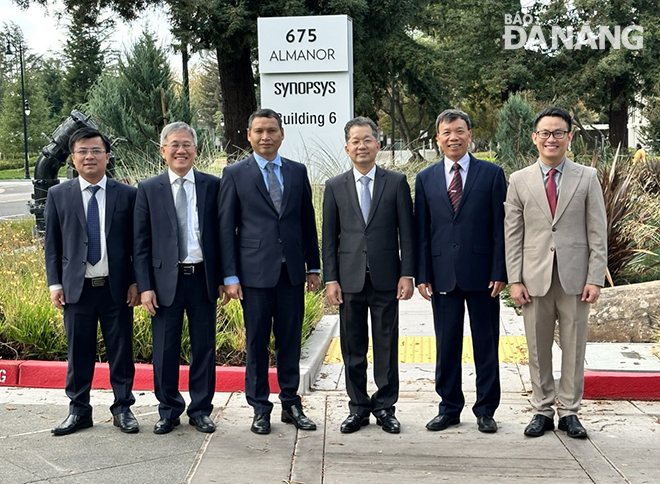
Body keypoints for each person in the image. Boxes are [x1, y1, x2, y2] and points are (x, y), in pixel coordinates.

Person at [504, 106, 607, 439]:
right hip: (534, 277)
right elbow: (513, 233)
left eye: (558, 133)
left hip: (576, 278)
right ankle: (542, 409)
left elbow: (597, 231)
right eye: (545, 133)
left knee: (575, 346)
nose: (551, 139)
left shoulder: (587, 177)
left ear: (569, 137)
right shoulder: (519, 181)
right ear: (535, 138)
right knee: (537, 346)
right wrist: (514, 279)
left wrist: (595, 276)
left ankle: (570, 411)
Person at [219, 108, 321, 435]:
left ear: (282, 134)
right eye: (259, 131)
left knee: (290, 342)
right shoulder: (235, 173)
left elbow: (307, 222)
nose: (266, 137)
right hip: (254, 275)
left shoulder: (296, 171)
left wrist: (313, 267)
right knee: (258, 343)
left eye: (272, 130)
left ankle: (291, 404)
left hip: (291, 273)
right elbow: (226, 229)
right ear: (248, 135)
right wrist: (230, 276)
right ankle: (260, 408)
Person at [415, 109, 507, 434]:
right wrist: (422, 274)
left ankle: (486, 409)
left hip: (483, 275)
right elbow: (422, 231)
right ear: (437, 138)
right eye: (446, 132)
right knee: (446, 344)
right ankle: (449, 407)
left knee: (486, 343)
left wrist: (500, 270)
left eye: (459, 130)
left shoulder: (492, 174)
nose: (453, 137)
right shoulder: (425, 179)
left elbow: (501, 228)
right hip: (442, 275)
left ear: (469, 134)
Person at [322, 117, 415, 434]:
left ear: (378, 144)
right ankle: (359, 407)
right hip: (349, 281)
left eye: (367, 139)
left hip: (387, 278)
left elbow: (408, 234)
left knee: (387, 346)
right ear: (347, 147)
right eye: (355, 141)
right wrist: (330, 279)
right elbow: (329, 238)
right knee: (353, 347)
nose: (361, 146)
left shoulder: (396, 182)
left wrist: (408, 274)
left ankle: (386, 407)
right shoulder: (334, 186)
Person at [45, 127, 139, 435]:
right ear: (72, 158)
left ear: (107, 157)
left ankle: (122, 408)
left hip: (116, 288)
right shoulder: (59, 195)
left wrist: (136, 282)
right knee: (78, 352)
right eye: (82, 151)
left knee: (121, 351)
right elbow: (52, 245)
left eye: (96, 151)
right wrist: (54, 284)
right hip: (77, 289)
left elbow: (138, 244)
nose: (89, 157)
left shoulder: (127, 194)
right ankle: (79, 410)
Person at [133, 122, 224, 435]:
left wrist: (225, 277)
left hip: (203, 278)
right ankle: (169, 409)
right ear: (163, 151)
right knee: (165, 349)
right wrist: (144, 287)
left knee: (204, 348)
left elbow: (224, 236)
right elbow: (140, 243)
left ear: (196, 150)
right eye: (174, 144)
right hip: (163, 283)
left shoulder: (213, 186)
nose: (180, 150)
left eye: (187, 144)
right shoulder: (148, 189)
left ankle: (201, 410)